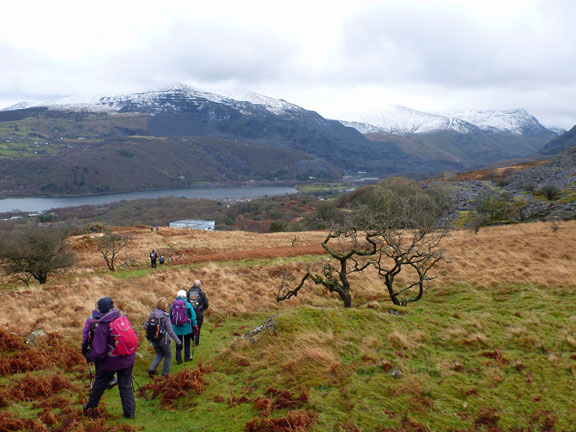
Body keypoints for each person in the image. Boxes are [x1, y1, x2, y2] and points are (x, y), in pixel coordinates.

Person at [84, 297, 136, 419]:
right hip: (127, 358)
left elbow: (99, 351)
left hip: (109, 362)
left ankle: (90, 408)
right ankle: (130, 413)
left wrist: (89, 357)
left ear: (101, 310)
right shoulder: (122, 318)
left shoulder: (103, 324)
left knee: (99, 385)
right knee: (126, 385)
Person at [144, 297, 181, 377]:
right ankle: (165, 374)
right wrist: (178, 342)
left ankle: (152, 369)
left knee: (159, 354)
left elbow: (145, 326)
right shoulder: (165, 316)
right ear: (165, 306)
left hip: (154, 339)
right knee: (168, 355)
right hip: (164, 340)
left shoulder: (152, 314)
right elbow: (170, 331)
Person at [81, 306, 117, 388]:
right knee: (109, 362)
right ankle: (110, 380)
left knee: (99, 364)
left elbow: (86, 334)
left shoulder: (91, 319)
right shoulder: (111, 317)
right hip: (109, 346)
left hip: (95, 347)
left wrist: (84, 347)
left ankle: (100, 383)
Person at [170, 290, 198, 364]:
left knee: (178, 343)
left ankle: (178, 359)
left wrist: (170, 327)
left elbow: (170, 316)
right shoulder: (188, 305)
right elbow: (193, 316)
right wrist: (195, 325)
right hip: (187, 328)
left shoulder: (173, 305)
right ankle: (187, 357)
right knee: (187, 342)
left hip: (176, 328)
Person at [187, 280, 209, 346]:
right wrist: (203, 309)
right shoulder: (202, 293)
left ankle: (192, 338)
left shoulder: (187, 293)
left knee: (190, 326)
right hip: (199, 313)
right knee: (198, 328)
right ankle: (196, 342)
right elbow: (206, 304)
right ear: (200, 285)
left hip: (189, 313)